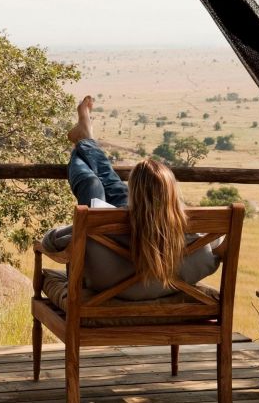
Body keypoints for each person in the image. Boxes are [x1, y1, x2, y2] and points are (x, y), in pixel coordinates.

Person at [41, 95, 222, 300]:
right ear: (172, 193)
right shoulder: (196, 232)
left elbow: (50, 242)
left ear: (134, 196)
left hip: (106, 286)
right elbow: (218, 243)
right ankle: (86, 138)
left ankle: (83, 141)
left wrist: (49, 237)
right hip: (167, 284)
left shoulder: (104, 224)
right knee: (114, 188)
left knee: (93, 184)